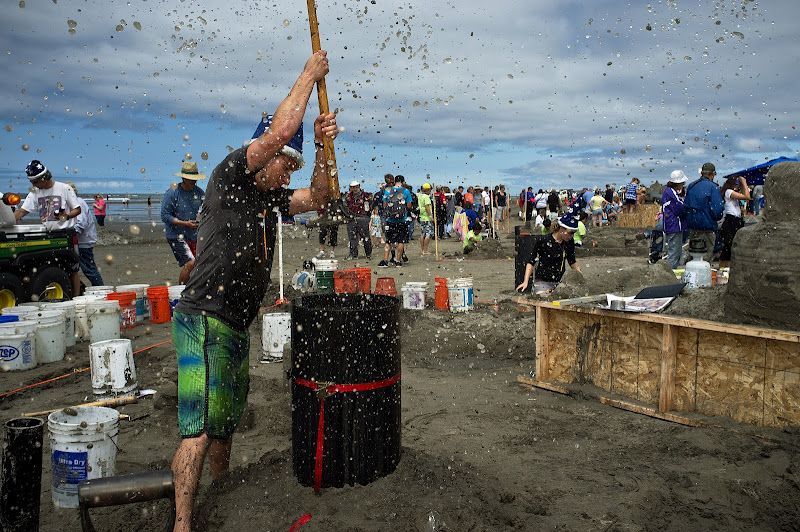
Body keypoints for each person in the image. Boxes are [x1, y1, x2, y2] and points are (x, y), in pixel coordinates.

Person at [170, 49, 337, 532]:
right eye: (285, 164)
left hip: (237, 325)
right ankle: (182, 526)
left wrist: (324, 150)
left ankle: (219, 510)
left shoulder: (272, 196)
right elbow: (281, 133)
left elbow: (321, 197)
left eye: (292, 166)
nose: (289, 172)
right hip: (203, 318)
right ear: (262, 155)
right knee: (198, 431)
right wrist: (308, 74)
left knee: (223, 434)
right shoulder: (232, 176)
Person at [15, 160, 82, 296]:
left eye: (35, 182)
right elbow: (22, 211)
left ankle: (76, 297)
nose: (33, 185)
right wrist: (8, 220)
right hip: (49, 234)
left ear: (45, 178)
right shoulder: (35, 192)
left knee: (73, 269)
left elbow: (78, 209)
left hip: (66, 233)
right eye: (32, 182)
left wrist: (67, 216)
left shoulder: (64, 188)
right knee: (52, 267)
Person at [161, 161, 205, 285]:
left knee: (200, 264)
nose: (193, 182)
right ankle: (181, 293)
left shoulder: (200, 193)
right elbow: (165, 216)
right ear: (183, 178)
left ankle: (193, 291)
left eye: (195, 179)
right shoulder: (172, 193)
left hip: (194, 234)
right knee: (190, 263)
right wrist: (184, 223)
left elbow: (205, 210)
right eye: (191, 180)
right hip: (175, 235)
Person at [516, 212, 582, 294]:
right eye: (570, 233)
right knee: (544, 298)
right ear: (562, 229)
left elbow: (572, 261)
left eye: (574, 233)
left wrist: (581, 276)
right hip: (542, 281)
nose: (572, 236)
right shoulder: (544, 240)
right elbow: (531, 261)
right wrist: (525, 282)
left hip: (560, 282)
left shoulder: (569, 242)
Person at [683, 162, 724, 262]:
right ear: (713, 173)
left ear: (701, 173)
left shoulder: (691, 186)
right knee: (704, 260)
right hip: (707, 229)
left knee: (693, 257)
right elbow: (717, 210)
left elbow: (685, 207)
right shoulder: (713, 187)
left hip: (693, 229)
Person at [67, 183, 104, 288]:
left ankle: (100, 288)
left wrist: (71, 232)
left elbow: (81, 224)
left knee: (89, 269)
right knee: (74, 268)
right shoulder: (73, 203)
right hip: (79, 241)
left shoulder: (78, 203)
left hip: (84, 242)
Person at [378, 174, 412, 267]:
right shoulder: (406, 191)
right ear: (403, 182)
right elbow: (409, 206)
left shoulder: (388, 190)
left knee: (389, 241)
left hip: (390, 220)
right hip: (402, 220)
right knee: (401, 241)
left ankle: (385, 261)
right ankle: (397, 260)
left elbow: (384, 205)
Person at [718, 174, 750, 269]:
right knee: (728, 246)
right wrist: (744, 183)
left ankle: (728, 268)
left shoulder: (732, 192)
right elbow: (747, 196)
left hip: (736, 220)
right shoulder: (728, 192)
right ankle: (725, 268)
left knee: (732, 246)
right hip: (731, 220)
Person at [662, 170, 688, 269]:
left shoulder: (669, 191)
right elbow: (680, 208)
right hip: (674, 226)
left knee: (676, 251)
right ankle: (670, 274)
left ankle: (673, 271)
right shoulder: (671, 192)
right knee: (674, 253)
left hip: (672, 225)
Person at [343, 180, 372, 260]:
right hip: (352, 219)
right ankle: (353, 254)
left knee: (365, 237)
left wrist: (366, 215)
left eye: (356, 187)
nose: (355, 189)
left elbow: (368, 207)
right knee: (352, 238)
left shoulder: (365, 196)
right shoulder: (348, 196)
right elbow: (345, 207)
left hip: (362, 219)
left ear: (359, 186)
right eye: (353, 187)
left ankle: (368, 253)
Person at [417, 182, 434, 256]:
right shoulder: (426, 197)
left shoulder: (420, 196)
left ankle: (422, 250)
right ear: (427, 190)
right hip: (426, 217)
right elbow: (427, 206)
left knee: (422, 233)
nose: (430, 191)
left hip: (422, 217)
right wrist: (431, 216)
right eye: (429, 190)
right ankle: (425, 250)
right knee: (428, 233)